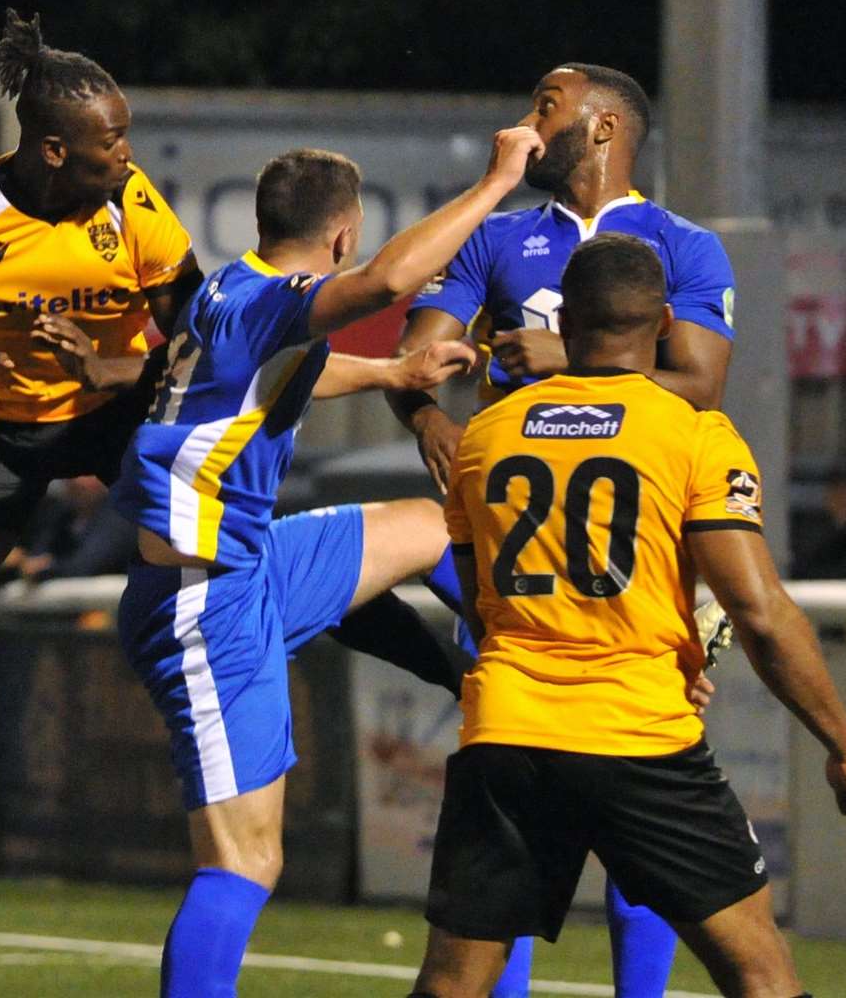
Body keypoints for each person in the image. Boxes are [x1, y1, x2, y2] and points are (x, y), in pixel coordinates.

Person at [0, 9, 482, 998]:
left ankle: (488, 678)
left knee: (400, 532)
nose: (128, 151)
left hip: (170, 479)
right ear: (55, 147)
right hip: (53, 476)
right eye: (110, 138)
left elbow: (221, 371)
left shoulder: (170, 247)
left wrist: (389, 372)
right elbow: (381, 283)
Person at [112, 129, 542, 997]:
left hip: (251, 561)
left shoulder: (237, 288)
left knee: (426, 525)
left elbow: (289, 368)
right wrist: (498, 181)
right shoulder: (277, 301)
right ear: (343, 234)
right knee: (246, 859)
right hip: (204, 599)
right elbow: (388, 281)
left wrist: (394, 371)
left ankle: (517, 660)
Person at [409, 234, 846, 998]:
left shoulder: (487, 438)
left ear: (563, 324)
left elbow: (482, 605)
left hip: (510, 729)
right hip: (639, 735)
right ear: (665, 322)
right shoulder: (695, 434)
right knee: (761, 975)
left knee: (451, 985)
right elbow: (759, 613)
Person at [388, 62, 738, 997]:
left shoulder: (683, 244)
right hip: (521, 558)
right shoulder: (496, 239)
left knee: (641, 810)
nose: (526, 125)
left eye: (546, 107)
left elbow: (702, 387)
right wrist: (427, 420)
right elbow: (419, 360)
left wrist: (561, 355)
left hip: (639, 556)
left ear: (604, 125)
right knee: (514, 812)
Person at [16, 475, 137, 580]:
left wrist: (48, 566)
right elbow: (34, 558)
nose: (76, 482)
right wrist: (19, 563)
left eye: (86, 474)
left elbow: (88, 566)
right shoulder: (60, 515)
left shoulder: (122, 515)